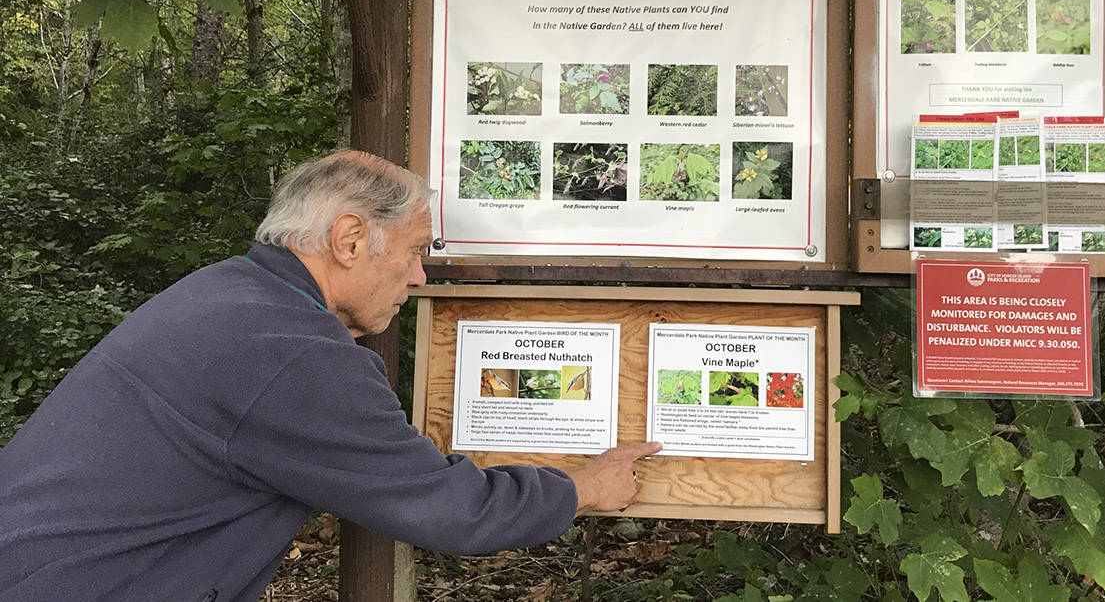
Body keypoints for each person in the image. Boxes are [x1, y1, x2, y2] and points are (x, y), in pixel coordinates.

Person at [0, 150, 660, 601]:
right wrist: (585, 488)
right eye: (412, 253)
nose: (418, 277)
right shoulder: (292, 354)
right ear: (348, 241)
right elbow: (454, 513)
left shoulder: (233, 295)